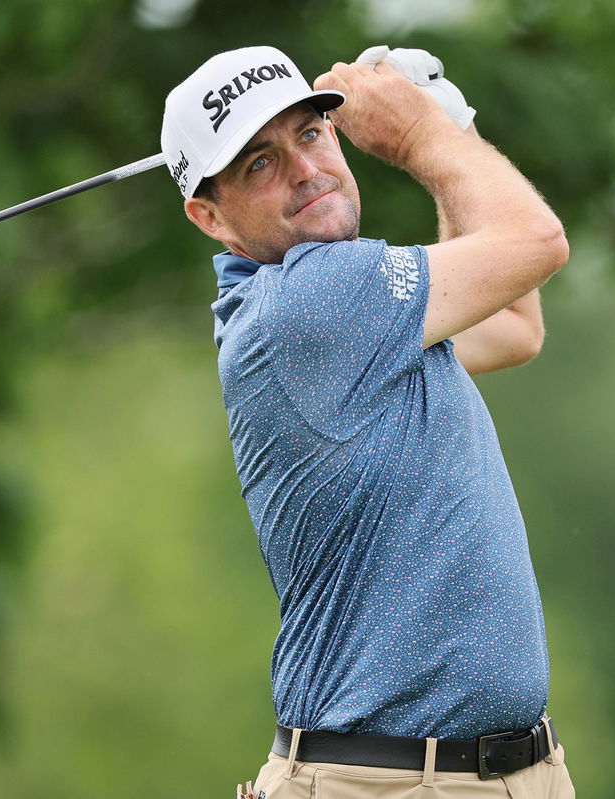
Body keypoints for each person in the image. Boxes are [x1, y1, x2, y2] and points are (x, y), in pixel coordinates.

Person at [161, 45, 574, 798]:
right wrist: (423, 136)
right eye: (258, 163)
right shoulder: (313, 305)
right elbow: (539, 243)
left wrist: (455, 128)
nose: (305, 170)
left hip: (500, 776)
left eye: (311, 134)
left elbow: (515, 323)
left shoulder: (351, 305)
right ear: (209, 216)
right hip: (385, 782)